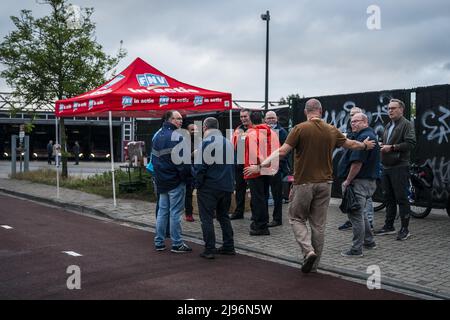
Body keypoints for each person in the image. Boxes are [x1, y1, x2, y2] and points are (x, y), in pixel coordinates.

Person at [246, 98, 376, 273]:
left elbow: (282, 152)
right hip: (326, 184)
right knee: (318, 225)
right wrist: (365, 145)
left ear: (306, 112)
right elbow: (351, 144)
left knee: (296, 218)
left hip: (304, 183)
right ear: (321, 112)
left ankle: (308, 251)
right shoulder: (331, 129)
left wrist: (260, 166)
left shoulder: (299, 129)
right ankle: (314, 266)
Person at [338, 113, 380, 257]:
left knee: (355, 216)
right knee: (360, 213)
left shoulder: (364, 138)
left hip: (359, 182)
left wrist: (348, 180)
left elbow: (357, 163)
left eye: (356, 121)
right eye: (352, 122)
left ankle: (356, 249)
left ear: (365, 122)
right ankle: (369, 241)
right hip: (367, 182)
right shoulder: (368, 135)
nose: (353, 124)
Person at [193, 117, 235, 259]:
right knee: (224, 217)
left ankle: (209, 249)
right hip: (226, 185)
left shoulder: (205, 143)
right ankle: (229, 245)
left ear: (205, 127)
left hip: (209, 187)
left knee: (207, 218)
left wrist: (197, 185)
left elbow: (200, 168)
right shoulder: (228, 143)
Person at [374, 98, 416, 241]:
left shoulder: (406, 124)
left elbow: (410, 143)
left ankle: (405, 229)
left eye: (393, 108)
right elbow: (388, 143)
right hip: (386, 166)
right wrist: (382, 145)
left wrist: (391, 147)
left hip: (399, 166)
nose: (390, 110)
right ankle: (389, 226)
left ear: (401, 109)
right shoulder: (389, 125)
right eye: (389, 108)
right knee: (388, 197)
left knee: (401, 198)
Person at [152, 110, 192, 253]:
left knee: (163, 212)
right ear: (170, 120)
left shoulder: (157, 136)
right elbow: (183, 163)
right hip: (175, 181)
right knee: (175, 213)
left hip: (162, 181)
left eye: (181, 119)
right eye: (178, 119)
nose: (181, 121)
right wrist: (187, 179)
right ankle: (177, 243)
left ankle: (159, 242)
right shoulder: (178, 137)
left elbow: (155, 161)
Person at [243, 111, 279, 236]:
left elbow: (256, 153)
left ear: (251, 121)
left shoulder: (252, 134)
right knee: (263, 197)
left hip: (255, 170)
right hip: (268, 170)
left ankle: (260, 226)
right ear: (263, 119)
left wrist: (259, 166)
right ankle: (262, 223)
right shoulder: (272, 133)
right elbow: (276, 151)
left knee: (258, 199)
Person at [264, 111, 288, 227]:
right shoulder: (263, 131)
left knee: (277, 195)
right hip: (265, 167)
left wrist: (277, 166)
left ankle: (277, 219)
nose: (271, 120)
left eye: (273, 118)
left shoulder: (282, 132)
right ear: (265, 119)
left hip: (276, 168)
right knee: (264, 194)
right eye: (268, 118)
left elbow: (285, 152)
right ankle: (264, 217)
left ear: (276, 119)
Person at [229, 109, 253, 220]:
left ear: (250, 116)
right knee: (239, 189)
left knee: (253, 189)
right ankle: (239, 211)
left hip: (251, 164)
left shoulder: (255, 128)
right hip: (239, 164)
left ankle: (255, 212)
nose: (243, 118)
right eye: (241, 116)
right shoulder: (238, 129)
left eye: (245, 116)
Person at [184, 123, 199, 222]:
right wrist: (193, 154)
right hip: (190, 169)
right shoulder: (185, 142)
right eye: (192, 130)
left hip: (200, 169)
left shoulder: (201, 141)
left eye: (196, 130)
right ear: (188, 131)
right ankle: (189, 213)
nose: (195, 132)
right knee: (188, 193)